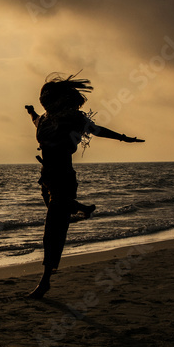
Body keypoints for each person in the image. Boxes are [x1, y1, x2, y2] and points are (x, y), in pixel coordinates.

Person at [25, 74, 144, 298]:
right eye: (42, 97)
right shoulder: (44, 119)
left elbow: (97, 130)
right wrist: (31, 112)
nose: (43, 101)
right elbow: (35, 119)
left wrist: (123, 138)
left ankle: (45, 282)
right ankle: (79, 207)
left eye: (47, 97)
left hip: (64, 178)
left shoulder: (71, 119)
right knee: (57, 218)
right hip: (47, 180)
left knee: (53, 230)